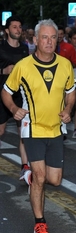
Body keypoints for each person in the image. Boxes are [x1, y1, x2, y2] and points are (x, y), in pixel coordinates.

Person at [2, 19, 76, 233]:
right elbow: (6, 92)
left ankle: (33, 181)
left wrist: (69, 108)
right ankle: (40, 223)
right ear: (35, 40)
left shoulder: (65, 65)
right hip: (32, 128)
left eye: (53, 37)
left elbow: (71, 93)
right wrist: (14, 108)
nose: (49, 41)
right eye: (44, 37)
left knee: (54, 180)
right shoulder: (23, 66)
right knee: (40, 177)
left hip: (55, 130)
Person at [0, 15, 30, 183]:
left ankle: (25, 167)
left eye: (20, 27)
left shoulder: (25, 49)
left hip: (20, 96)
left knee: (23, 133)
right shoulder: (1, 47)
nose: (18, 30)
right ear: (7, 30)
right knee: (1, 131)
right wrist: (3, 71)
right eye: (14, 27)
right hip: (2, 95)